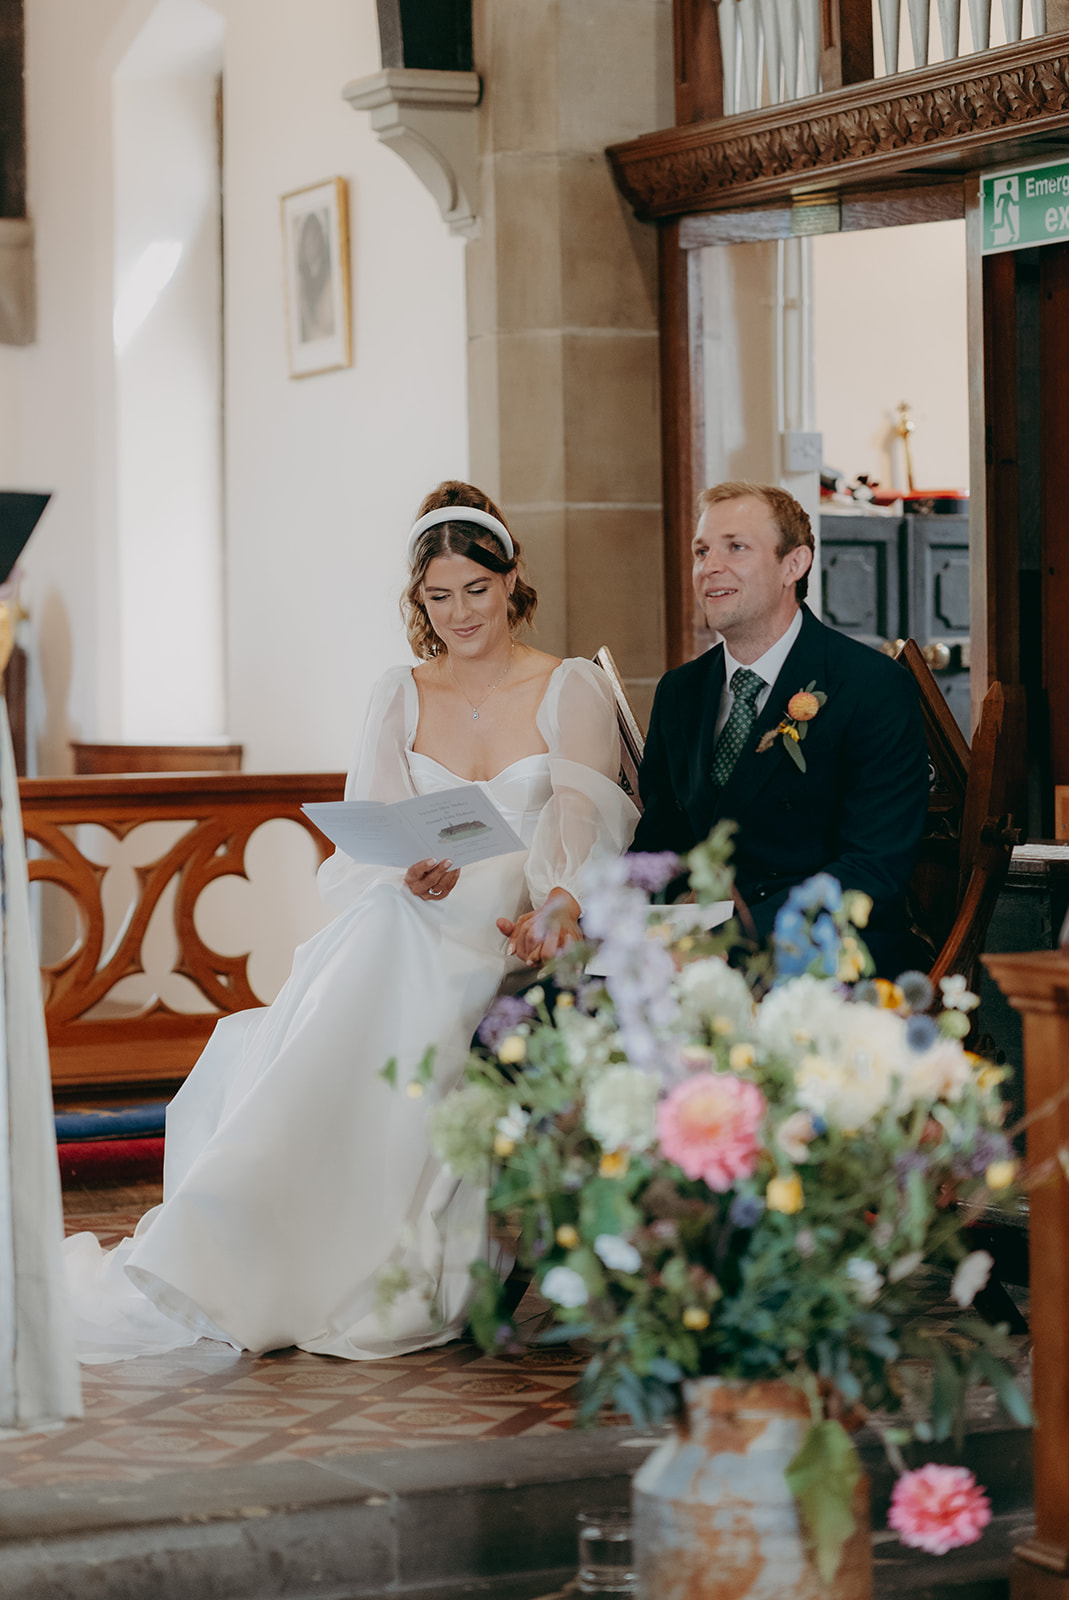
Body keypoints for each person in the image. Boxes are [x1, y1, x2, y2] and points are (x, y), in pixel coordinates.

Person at [65, 482, 637, 1363]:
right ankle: (239, 1230)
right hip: (414, 906)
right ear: (418, 601)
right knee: (380, 936)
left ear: (511, 578)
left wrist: (554, 906)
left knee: (384, 959)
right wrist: (403, 870)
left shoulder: (567, 687)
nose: (459, 615)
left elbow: (581, 826)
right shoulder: (399, 692)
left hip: (512, 927)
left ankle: (326, 1240)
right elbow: (369, 836)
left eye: (475, 591)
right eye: (437, 597)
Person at [632, 481, 930, 976]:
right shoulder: (679, 692)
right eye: (702, 550)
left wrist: (731, 937)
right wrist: (596, 916)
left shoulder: (871, 686)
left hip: (821, 951)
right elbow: (659, 841)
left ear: (794, 564)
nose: (709, 567)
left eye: (736, 547)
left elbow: (873, 867)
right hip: (689, 947)